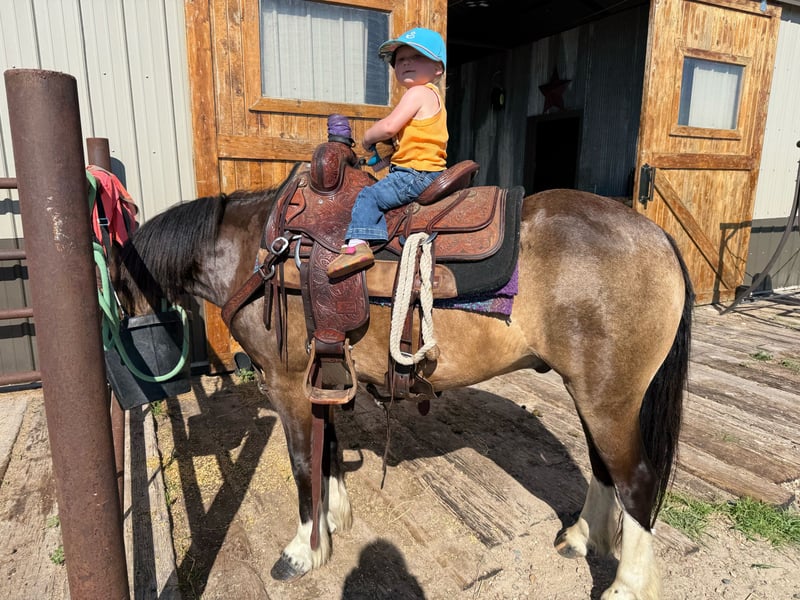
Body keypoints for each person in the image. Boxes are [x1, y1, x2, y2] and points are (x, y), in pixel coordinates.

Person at [327, 27, 448, 278]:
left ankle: (358, 245)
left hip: (415, 173)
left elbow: (389, 126)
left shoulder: (418, 93)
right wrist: (384, 157)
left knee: (369, 196)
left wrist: (367, 137)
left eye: (417, 57)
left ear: (437, 68)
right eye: (400, 59)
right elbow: (409, 143)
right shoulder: (433, 97)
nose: (406, 63)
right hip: (426, 171)